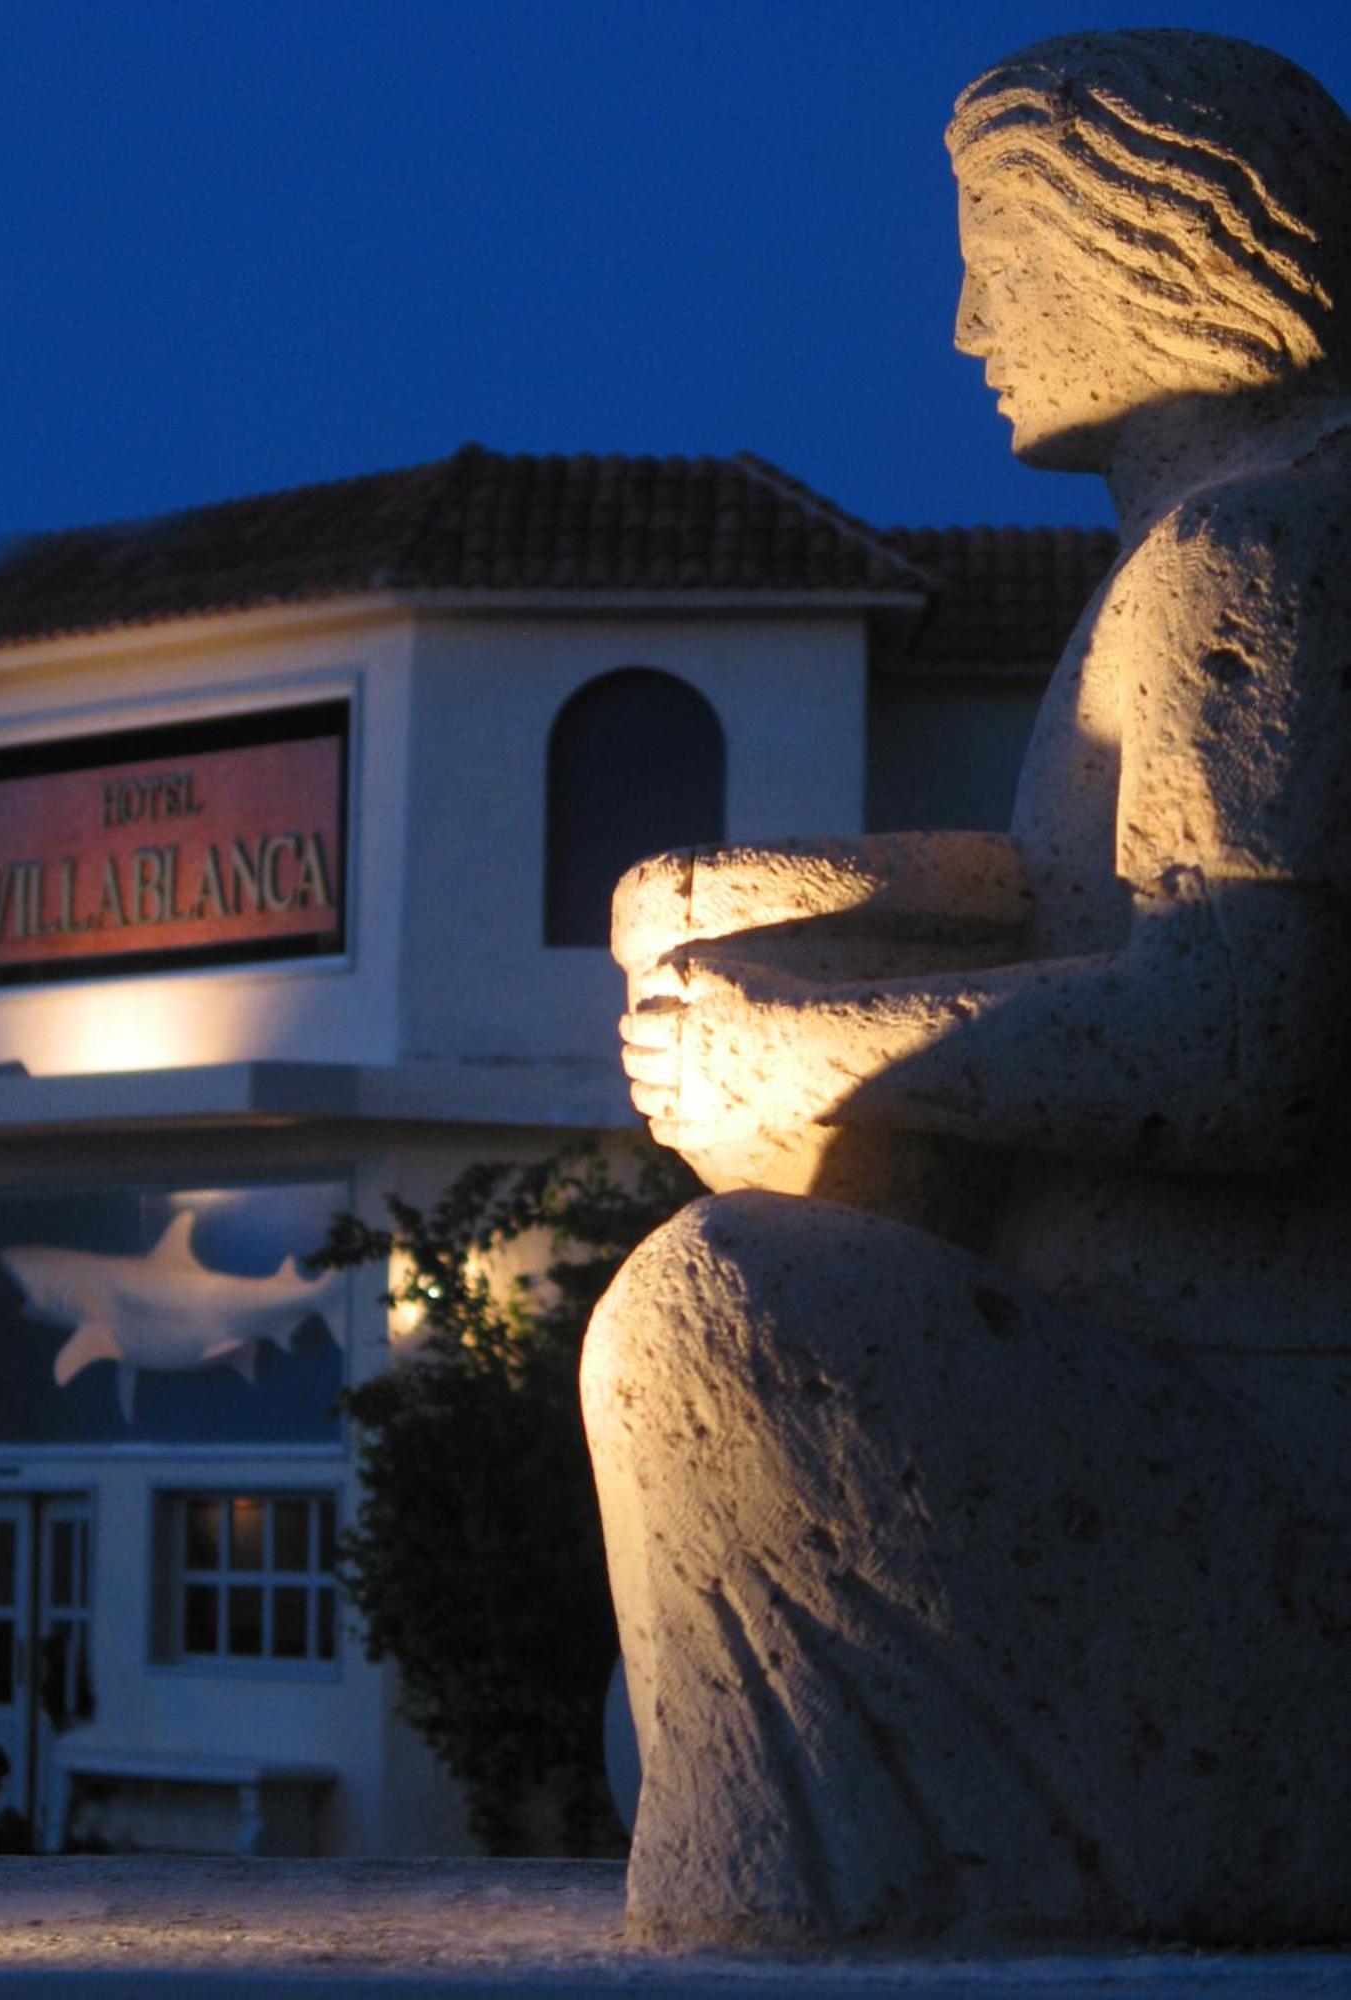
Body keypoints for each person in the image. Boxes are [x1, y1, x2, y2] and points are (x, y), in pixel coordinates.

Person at [583, 30, 1351, 1949]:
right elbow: (1074, 891)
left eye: (997, 253)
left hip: (1274, 1507)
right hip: (1200, 1468)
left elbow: (1239, 1042)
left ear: (1162, 235)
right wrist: (779, 888)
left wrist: (802, 1051)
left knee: (711, 1318)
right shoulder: (1197, 562)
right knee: (658, 1672)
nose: (958, 325)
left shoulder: (1262, 560)